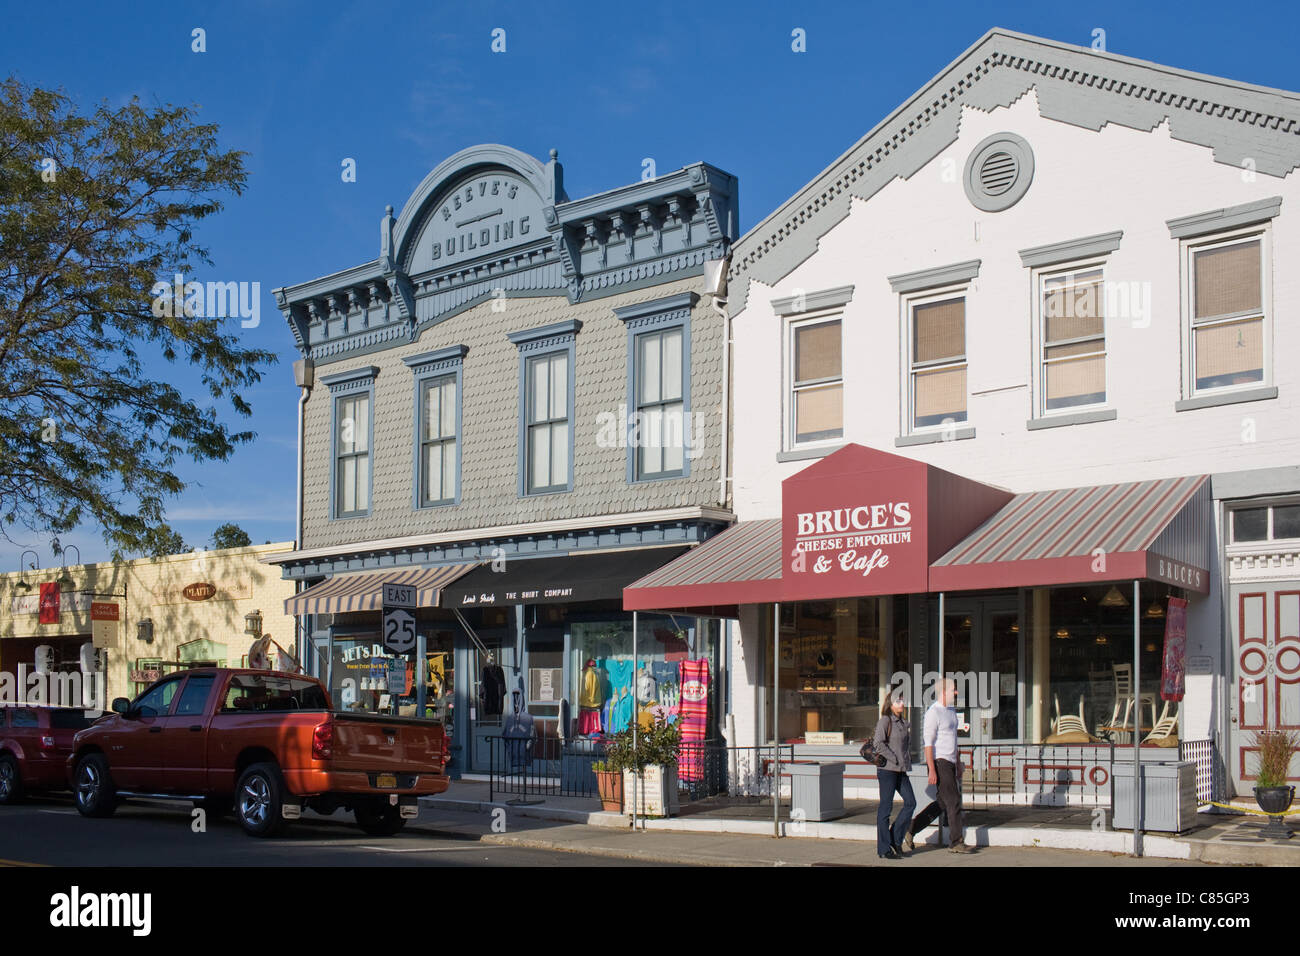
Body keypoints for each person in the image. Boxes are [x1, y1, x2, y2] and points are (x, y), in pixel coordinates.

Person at [907, 677, 971, 853]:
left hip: (950, 761)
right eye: (953, 690)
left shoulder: (950, 711)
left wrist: (957, 763)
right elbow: (928, 744)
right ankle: (956, 842)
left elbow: (954, 739)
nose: (956, 693)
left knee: (943, 803)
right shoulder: (933, 713)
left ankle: (911, 828)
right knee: (954, 800)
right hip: (939, 761)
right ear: (943, 692)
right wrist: (932, 769)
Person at [873, 690, 915, 860]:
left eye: (903, 701)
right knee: (885, 808)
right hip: (887, 770)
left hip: (901, 770)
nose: (902, 704)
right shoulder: (885, 720)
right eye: (898, 701)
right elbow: (878, 744)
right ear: (890, 704)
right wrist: (894, 758)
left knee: (911, 802)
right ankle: (884, 848)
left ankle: (895, 838)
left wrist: (904, 762)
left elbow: (905, 747)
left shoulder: (904, 723)